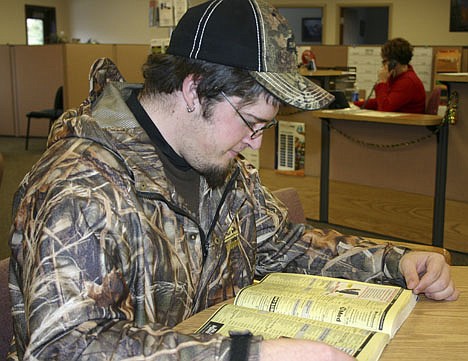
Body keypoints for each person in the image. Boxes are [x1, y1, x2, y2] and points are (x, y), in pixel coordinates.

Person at [8, 1, 458, 360]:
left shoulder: (218, 163)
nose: (256, 145)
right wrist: (249, 354)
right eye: (252, 121)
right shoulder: (81, 185)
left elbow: (284, 244)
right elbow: (65, 348)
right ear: (192, 89)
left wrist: (393, 262)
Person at [354, 37, 426, 113]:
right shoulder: (397, 77)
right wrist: (353, 105)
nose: (383, 64)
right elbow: (380, 101)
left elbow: (384, 108)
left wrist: (382, 82)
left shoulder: (408, 81)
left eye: (385, 61)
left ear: (393, 63)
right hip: (396, 121)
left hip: (405, 123)